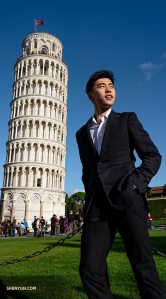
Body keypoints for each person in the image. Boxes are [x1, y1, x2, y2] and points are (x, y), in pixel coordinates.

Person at [76, 70, 166, 299]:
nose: (109, 89)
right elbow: (88, 170)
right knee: (89, 269)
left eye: (111, 86)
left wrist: (135, 184)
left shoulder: (127, 119)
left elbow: (153, 156)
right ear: (90, 95)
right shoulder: (81, 133)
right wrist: (90, 195)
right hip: (97, 207)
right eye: (102, 86)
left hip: (128, 200)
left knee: (142, 265)